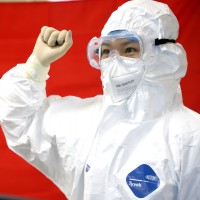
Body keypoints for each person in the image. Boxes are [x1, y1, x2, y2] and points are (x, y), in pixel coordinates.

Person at [0, 0, 200, 199]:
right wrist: (36, 65)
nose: (114, 63)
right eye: (105, 51)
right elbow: (21, 121)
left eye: (129, 49)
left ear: (164, 56)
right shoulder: (84, 121)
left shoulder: (190, 138)